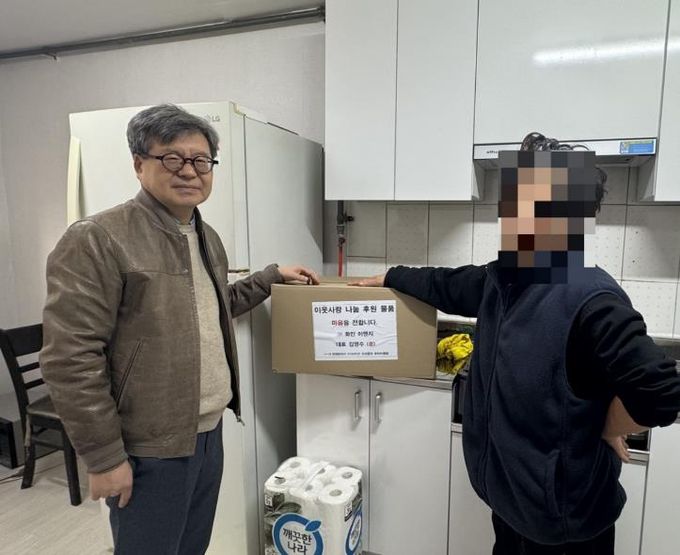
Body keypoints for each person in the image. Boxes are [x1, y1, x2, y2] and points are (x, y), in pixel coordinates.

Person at [353, 132, 680, 554]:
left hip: (563, 528)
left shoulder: (592, 298)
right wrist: (390, 276)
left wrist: (605, 424)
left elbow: (661, 392)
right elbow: (444, 284)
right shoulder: (503, 278)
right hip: (510, 507)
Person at [39, 103, 319, 554]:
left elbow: (213, 305)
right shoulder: (98, 238)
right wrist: (104, 456)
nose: (189, 170)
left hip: (207, 433)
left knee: (192, 547)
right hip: (148, 446)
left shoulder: (206, 236)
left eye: (201, 160)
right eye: (172, 158)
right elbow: (70, 357)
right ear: (139, 163)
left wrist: (269, 278)